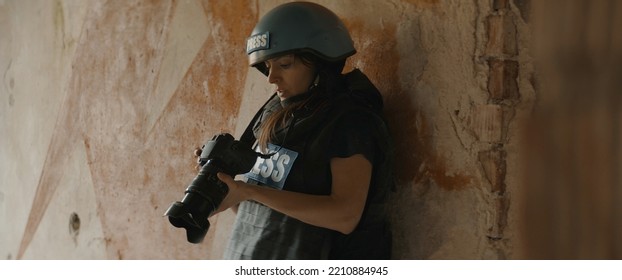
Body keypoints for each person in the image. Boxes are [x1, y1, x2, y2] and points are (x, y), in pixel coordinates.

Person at [207, 1, 395, 260]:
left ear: (321, 62)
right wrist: (226, 188)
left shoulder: (351, 120)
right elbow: (265, 216)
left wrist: (250, 191)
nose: (272, 77)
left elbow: (345, 216)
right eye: (268, 66)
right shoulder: (275, 112)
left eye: (284, 64)